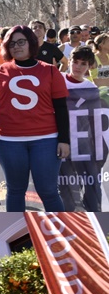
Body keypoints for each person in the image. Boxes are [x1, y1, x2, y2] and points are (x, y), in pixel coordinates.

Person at [0, 25, 68, 211]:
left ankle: (62, 234)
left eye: (21, 42)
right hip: (9, 140)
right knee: (15, 191)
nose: (16, 47)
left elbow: (61, 107)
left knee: (48, 191)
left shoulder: (50, 71)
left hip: (46, 139)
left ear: (31, 43)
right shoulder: (0, 71)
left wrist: (64, 140)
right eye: (11, 44)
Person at [59, 45, 104, 212]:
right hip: (61, 141)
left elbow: (95, 120)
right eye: (75, 62)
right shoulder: (58, 80)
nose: (78, 67)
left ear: (89, 66)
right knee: (64, 185)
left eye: (83, 64)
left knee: (90, 183)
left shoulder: (91, 88)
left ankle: (93, 222)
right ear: (69, 61)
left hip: (83, 143)